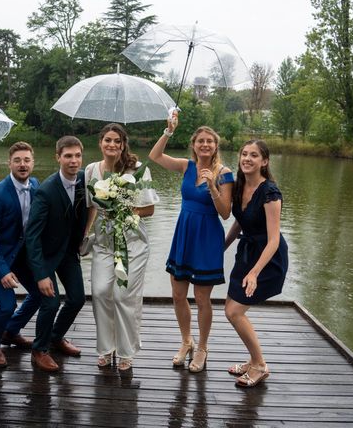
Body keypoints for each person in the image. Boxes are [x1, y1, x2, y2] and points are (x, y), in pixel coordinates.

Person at [148, 114, 233, 373]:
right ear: (194, 145)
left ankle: (203, 347)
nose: (205, 145)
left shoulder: (224, 173)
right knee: (177, 294)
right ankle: (186, 341)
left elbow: (226, 213)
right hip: (184, 232)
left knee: (202, 298)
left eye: (209, 141)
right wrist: (168, 130)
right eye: (200, 141)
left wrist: (212, 186)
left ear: (215, 146)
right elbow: (155, 156)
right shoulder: (187, 166)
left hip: (207, 236)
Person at [83, 123, 159, 371]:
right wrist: (85, 234)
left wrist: (123, 208)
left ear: (124, 144)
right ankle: (106, 348)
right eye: (107, 140)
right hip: (104, 241)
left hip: (132, 242)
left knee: (123, 296)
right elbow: (92, 206)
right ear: (100, 143)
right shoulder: (92, 170)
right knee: (101, 292)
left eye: (117, 141)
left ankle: (126, 352)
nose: (112, 145)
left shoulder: (137, 171)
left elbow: (149, 209)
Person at [224, 140, 288, 387]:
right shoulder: (240, 186)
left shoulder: (270, 192)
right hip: (247, 253)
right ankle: (253, 362)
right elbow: (240, 221)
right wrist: (222, 247)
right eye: (244, 154)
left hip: (268, 260)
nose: (247, 159)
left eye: (254, 155)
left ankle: (260, 365)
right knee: (230, 309)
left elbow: (273, 240)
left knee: (234, 311)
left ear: (265, 161)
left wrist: (254, 272)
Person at [25, 136, 87, 372]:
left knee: (78, 298)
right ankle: (39, 350)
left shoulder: (83, 180)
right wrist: (41, 274)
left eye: (77, 155)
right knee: (50, 302)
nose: (73, 161)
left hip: (69, 252)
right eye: (68, 156)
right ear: (58, 157)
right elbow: (32, 236)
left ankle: (56, 337)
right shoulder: (46, 191)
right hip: (47, 254)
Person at [0, 141, 41, 367]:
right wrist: (3, 271)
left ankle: (11, 331)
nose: (22, 165)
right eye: (17, 161)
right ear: (9, 164)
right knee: (7, 304)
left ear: (33, 162)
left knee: (40, 293)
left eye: (26, 160)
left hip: (19, 255)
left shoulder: (35, 185)